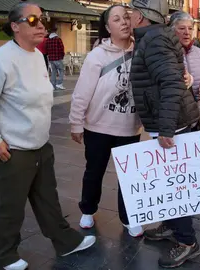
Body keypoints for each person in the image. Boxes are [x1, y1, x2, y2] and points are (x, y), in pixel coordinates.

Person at [0, 3, 95, 270]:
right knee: (9, 206)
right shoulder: (0, 60)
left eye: (43, 19)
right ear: (15, 26)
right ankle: (4, 255)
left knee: (47, 198)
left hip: (40, 145)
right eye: (33, 19)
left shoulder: (37, 56)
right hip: (12, 149)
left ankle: (65, 241)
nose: (41, 25)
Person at [128, 0, 200, 268]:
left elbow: (171, 83)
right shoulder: (156, 37)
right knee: (168, 183)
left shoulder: (154, 39)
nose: (129, 17)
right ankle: (172, 226)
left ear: (141, 16)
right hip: (171, 119)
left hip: (172, 123)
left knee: (175, 186)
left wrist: (166, 129)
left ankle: (187, 242)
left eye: (131, 13)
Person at [69, 5, 144, 238]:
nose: (123, 22)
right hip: (98, 127)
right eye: (116, 19)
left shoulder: (142, 51)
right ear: (107, 27)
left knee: (128, 177)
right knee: (94, 172)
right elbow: (82, 92)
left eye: (126, 17)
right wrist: (76, 123)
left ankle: (128, 218)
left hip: (129, 127)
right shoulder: (97, 56)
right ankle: (88, 210)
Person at [169, 11, 200, 122]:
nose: (187, 32)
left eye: (190, 28)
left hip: (198, 114)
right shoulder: (167, 53)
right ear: (172, 30)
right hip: (176, 118)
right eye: (182, 28)